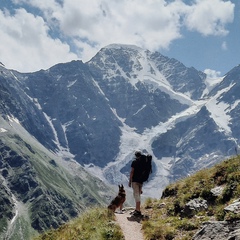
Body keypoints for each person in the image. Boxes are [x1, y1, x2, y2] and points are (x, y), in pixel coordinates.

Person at [128, 151, 145, 217]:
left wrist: (130, 181)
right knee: (138, 195)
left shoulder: (134, 162)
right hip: (141, 181)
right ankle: (137, 209)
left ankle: (138, 210)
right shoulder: (143, 163)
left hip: (135, 181)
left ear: (135, 156)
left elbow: (132, 172)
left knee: (136, 195)